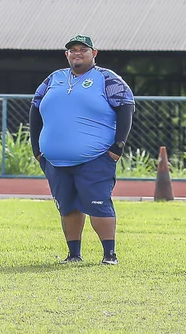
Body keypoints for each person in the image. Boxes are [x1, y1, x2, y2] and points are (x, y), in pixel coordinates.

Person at [30, 35, 135, 265]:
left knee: (98, 204)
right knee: (67, 206)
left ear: (94, 53)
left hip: (95, 157)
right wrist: (36, 149)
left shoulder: (106, 79)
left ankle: (109, 254)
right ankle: (73, 254)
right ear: (66, 54)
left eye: (83, 49)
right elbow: (35, 108)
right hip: (55, 160)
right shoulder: (54, 79)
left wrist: (118, 146)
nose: (77, 53)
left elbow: (126, 106)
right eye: (72, 50)